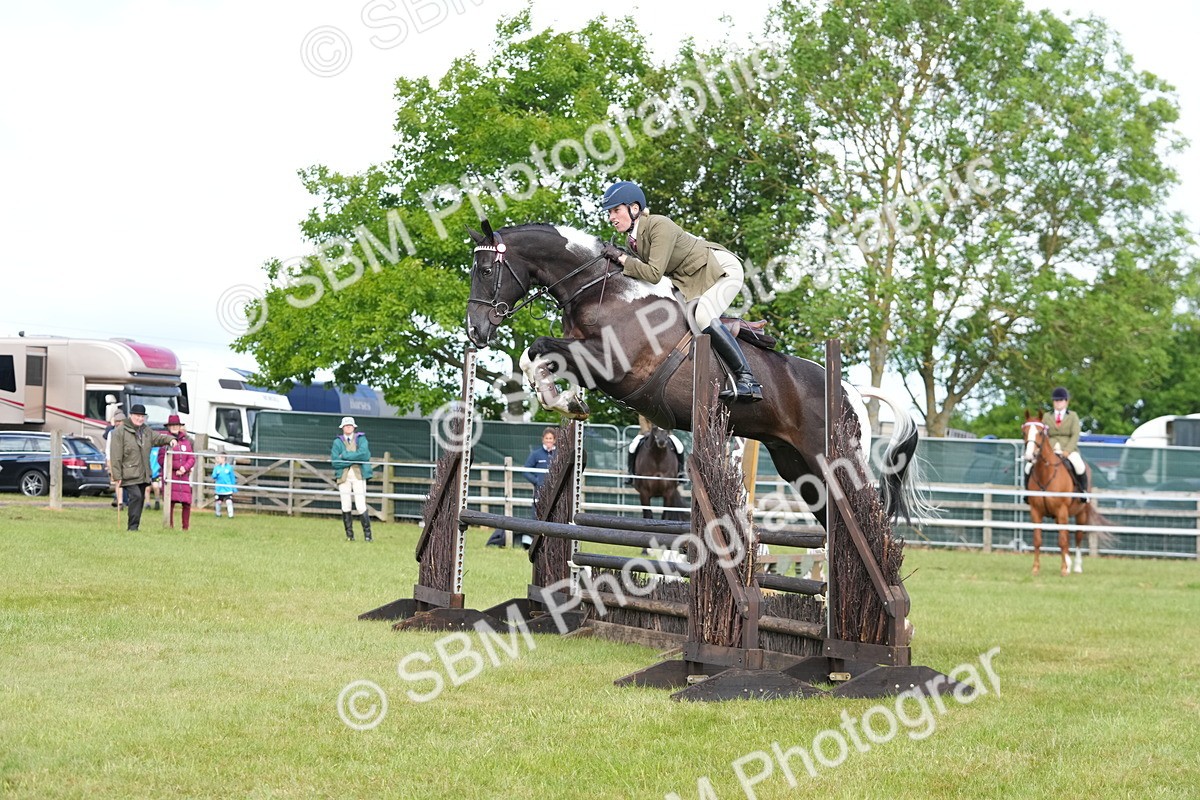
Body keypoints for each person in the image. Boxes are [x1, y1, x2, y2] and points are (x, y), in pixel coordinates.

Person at [599, 180, 763, 402]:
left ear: (634, 208)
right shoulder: (633, 241)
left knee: (702, 316)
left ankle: (749, 381)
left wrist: (621, 258)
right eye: (609, 212)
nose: (611, 217)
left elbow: (653, 274)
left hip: (720, 270)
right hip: (692, 281)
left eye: (616, 210)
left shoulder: (658, 225)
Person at [487, 428, 557, 549]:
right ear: (543, 439)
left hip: (555, 490)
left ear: (554, 440)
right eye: (547, 438)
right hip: (540, 492)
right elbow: (526, 470)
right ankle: (535, 544)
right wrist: (537, 481)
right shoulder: (536, 454)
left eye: (551, 438)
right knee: (537, 516)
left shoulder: (558, 454)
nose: (549, 441)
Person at [109, 404, 175, 531]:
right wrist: (117, 476)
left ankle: (135, 526)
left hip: (143, 473)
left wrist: (171, 439)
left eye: (142, 416)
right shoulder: (120, 432)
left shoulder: (146, 431)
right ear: (131, 415)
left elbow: (159, 438)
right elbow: (115, 456)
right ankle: (132, 527)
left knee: (140, 499)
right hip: (128, 473)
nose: (140, 419)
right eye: (137, 416)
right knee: (136, 496)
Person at [1038, 386, 1088, 501]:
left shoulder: (1073, 416)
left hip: (1068, 448)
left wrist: (1067, 451)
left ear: (1066, 402)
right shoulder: (1047, 416)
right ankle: (1028, 493)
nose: (1058, 403)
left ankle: (1083, 492)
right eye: (1056, 400)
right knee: (1029, 466)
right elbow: (1042, 434)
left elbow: (1075, 435)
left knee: (1080, 466)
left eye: (1061, 400)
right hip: (1050, 449)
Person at [331, 416, 374, 542]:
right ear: (342, 427)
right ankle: (349, 536)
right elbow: (335, 461)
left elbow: (364, 455)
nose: (348, 427)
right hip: (343, 477)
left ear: (354, 427)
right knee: (346, 505)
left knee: (361, 505)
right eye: (346, 425)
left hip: (358, 476)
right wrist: (353, 460)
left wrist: (345, 456)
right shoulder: (337, 442)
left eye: (350, 425)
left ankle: (368, 536)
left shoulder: (361, 439)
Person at [158, 414, 196, 530]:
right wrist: (176, 467)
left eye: (176, 425)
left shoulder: (186, 442)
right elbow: (161, 459)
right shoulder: (164, 441)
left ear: (180, 426)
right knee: (170, 502)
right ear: (169, 427)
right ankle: (169, 526)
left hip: (183, 476)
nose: (175, 427)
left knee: (187, 503)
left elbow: (191, 458)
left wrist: (184, 468)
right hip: (171, 476)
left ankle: (185, 527)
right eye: (172, 425)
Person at [625, 414, 685, 486]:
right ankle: (630, 473)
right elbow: (642, 420)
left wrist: (666, 430)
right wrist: (646, 431)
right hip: (646, 433)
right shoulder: (644, 408)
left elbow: (669, 419)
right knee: (632, 447)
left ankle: (681, 472)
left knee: (679, 447)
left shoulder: (664, 409)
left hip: (664, 434)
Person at [105, 410, 127, 509]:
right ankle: (120, 502)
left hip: (127, 461)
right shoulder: (111, 433)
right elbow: (108, 448)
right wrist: (109, 461)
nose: (118, 423)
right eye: (116, 421)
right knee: (118, 481)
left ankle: (125, 501)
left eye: (120, 421)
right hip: (116, 460)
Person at [212, 451, 237, 518]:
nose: (217, 459)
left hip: (227, 488)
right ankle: (218, 514)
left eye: (218, 458)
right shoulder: (217, 468)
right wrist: (216, 473)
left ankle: (231, 515)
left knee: (229, 501)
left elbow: (232, 478)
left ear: (223, 458)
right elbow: (213, 476)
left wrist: (233, 487)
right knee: (219, 502)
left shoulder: (229, 467)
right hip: (219, 488)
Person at [148, 444, 163, 511]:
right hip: (148, 471)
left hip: (156, 472)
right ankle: (147, 503)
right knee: (147, 488)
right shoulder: (148, 449)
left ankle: (157, 501)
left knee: (155, 486)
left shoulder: (160, 449)